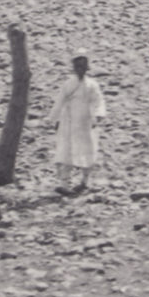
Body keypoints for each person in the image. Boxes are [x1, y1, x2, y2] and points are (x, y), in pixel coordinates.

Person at [50, 51, 108, 193]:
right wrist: (52, 119)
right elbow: (59, 102)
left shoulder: (92, 85)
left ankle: (84, 181)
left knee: (88, 149)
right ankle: (64, 184)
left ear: (87, 66)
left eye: (83, 65)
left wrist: (99, 114)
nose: (80, 68)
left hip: (86, 122)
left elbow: (98, 100)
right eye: (78, 65)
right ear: (74, 67)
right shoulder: (68, 84)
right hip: (69, 122)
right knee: (66, 151)